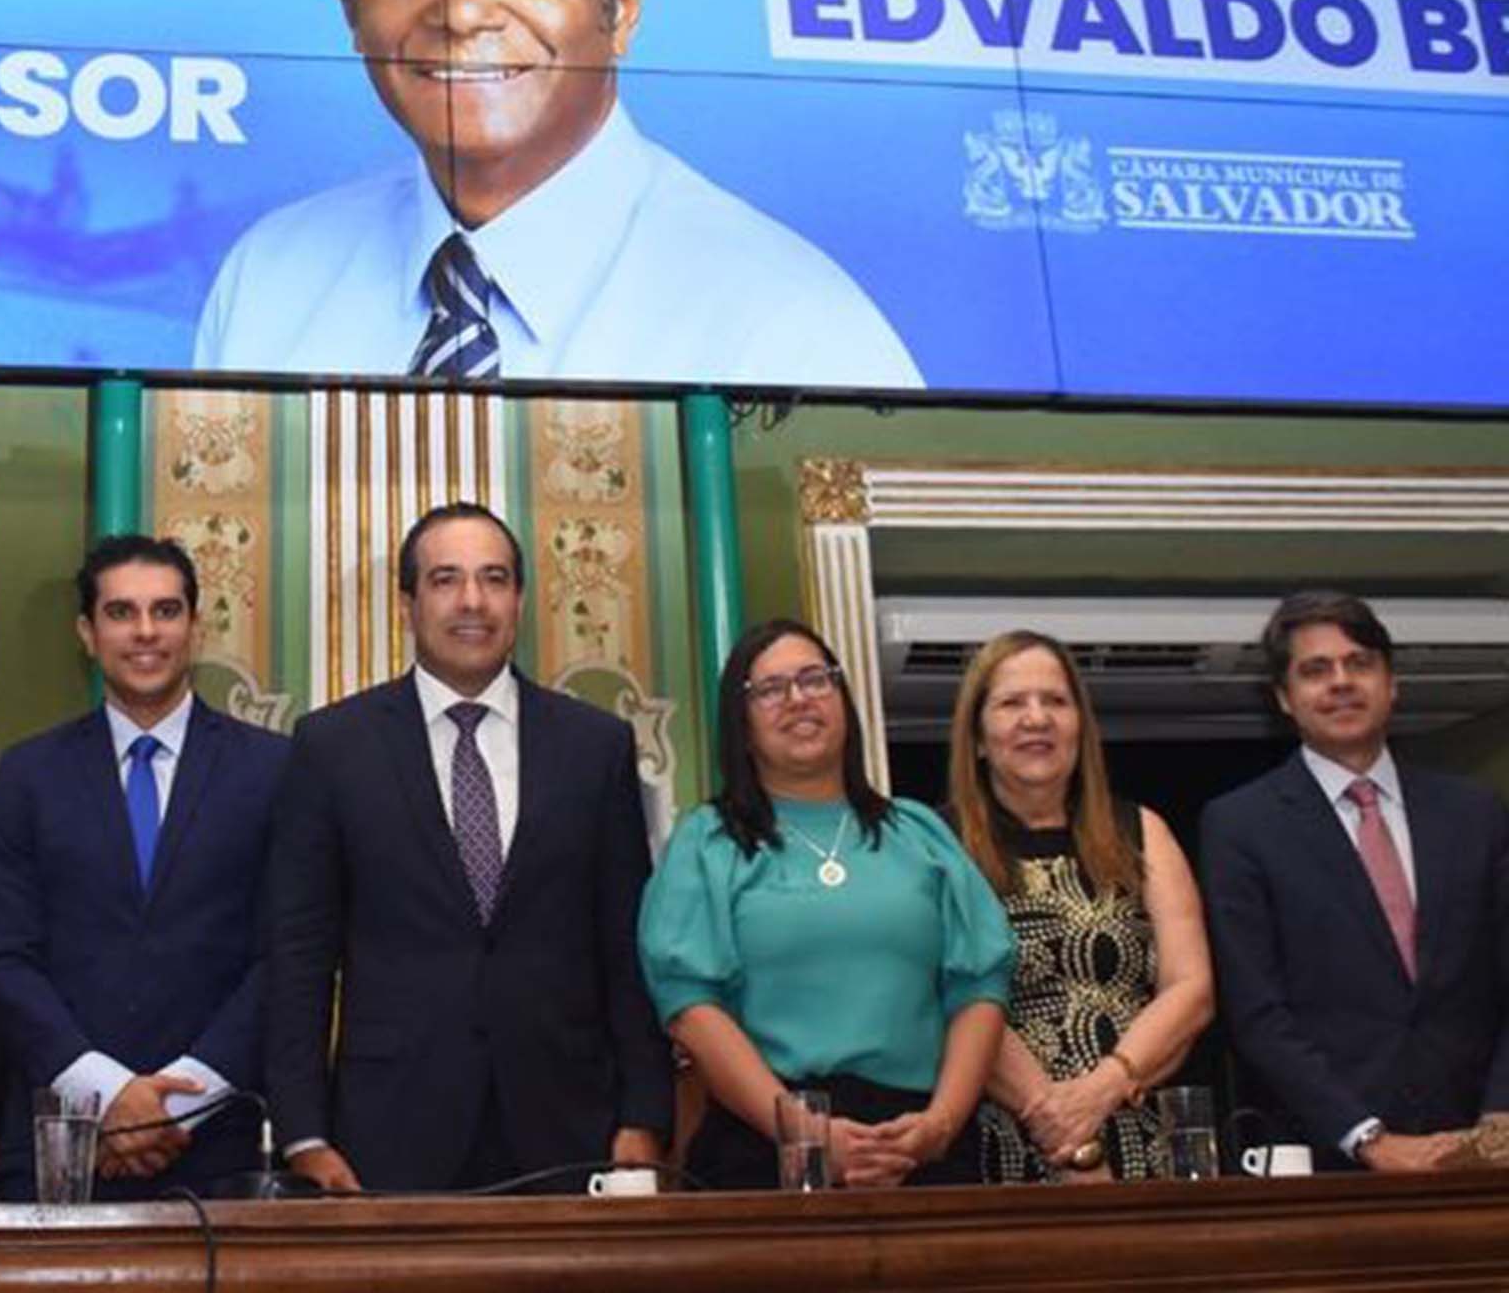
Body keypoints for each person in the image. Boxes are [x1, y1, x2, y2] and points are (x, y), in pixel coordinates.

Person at [193, 0, 919, 390]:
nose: (462, 12)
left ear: (621, 6)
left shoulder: (790, 321)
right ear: (349, 4)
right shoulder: (270, 280)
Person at [265, 502, 669, 1193]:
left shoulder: (595, 746)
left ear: (518, 599)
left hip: (573, 1125)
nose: (472, 601)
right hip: (385, 1133)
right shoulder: (333, 746)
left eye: (494, 578)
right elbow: (300, 952)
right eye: (446, 579)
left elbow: (625, 945)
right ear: (409, 603)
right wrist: (304, 1131)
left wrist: (645, 1111)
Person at [0, 535, 288, 1199]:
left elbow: (286, 955)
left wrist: (174, 1105)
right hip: (60, 1146)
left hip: (220, 1149)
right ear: (87, 632)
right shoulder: (26, 775)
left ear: (196, 628)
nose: (146, 632)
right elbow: (2, 955)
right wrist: (107, 1094)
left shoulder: (275, 770)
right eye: (121, 613)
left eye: (166, 611)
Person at [640, 619, 1012, 1188]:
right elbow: (691, 1004)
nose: (797, 699)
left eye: (815, 679)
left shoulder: (919, 832)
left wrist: (940, 1125)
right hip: (765, 1146)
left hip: (923, 1147)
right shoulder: (707, 840)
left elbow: (979, 990)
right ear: (739, 725)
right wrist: (804, 1131)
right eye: (769, 689)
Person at [1201, 590, 1509, 1171]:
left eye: (1359, 663)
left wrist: (1499, 1123)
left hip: (1486, 1156)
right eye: (1315, 670)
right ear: (1285, 699)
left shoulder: (1476, 813)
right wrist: (1367, 1137)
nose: (1340, 682)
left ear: (1391, 684)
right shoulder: (1240, 826)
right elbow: (1256, 1012)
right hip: (1332, 1165)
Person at [945, 630, 1213, 1183]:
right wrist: (1069, 1137)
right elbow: (947, 998)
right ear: (976, 736)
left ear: (1080, 729)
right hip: (1004, 1148)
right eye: (1012, 703)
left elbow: (1191, 989)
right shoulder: (936, 844)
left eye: (1056, 701)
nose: (1036, 718)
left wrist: (1102, 1090)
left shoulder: (1144, 831)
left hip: (1141, 1142)